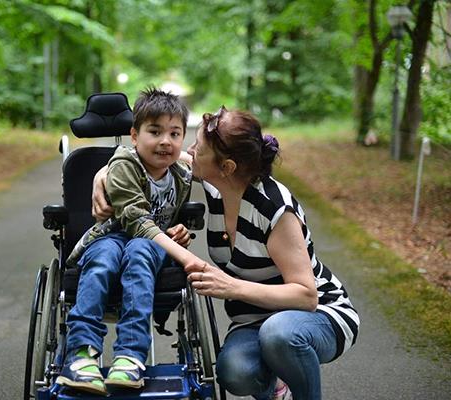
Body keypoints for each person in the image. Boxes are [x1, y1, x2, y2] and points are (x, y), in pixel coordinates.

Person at [92, 106, 360, 400]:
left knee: (279, 335)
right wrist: (103, 175)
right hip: (253, 320)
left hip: (318, 313)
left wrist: (231, 286)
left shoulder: (274, 209)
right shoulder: (217, 185)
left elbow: (306, 296)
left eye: (198, 148)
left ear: (227, 167)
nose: (189, 151)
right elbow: (146, 160)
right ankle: (277, 392)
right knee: (233, 371)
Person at [57, 88, 193, 395]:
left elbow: (202, 161)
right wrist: (187, 257)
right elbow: (136, 221)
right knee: (104, 258)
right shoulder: (123, 165)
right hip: (112, 234)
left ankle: (130, 355)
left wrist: (180, 230)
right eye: (154, 132)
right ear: (134, 136)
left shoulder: (181, 173)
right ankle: (81, 354)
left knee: (141, 251)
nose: (165, 141)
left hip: (150, 244)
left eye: (174, 134)